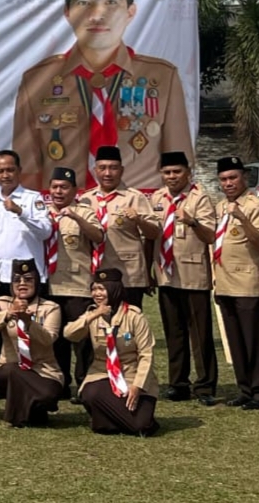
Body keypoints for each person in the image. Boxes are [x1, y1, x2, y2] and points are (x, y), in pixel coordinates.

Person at [13, 0, 193, 192]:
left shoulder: (161, 77)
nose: (97, 15)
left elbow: (179, 161)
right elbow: (27, 169)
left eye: (110, 2)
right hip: (67, 208)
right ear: (67, 12)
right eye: (83, 2)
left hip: (138, 207)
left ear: (130, 12)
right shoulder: (37, 81)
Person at [149, 151, 218, 405]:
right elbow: (151, 237)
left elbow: (210, 236)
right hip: (166, 274)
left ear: (188, 173)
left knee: (200, 334)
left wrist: (192, 222)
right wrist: (149, 270)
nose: (172, 176)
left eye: (177, 171)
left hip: (193, 274)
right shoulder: (157, 198)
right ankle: (178, 383)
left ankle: (205, 386)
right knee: (173, 332)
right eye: (167, 172)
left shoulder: (200, 198)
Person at [64, 269, 159, 435]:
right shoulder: (92, 314)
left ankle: (112, 421)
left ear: (114, 289)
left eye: (102, 289)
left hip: (131, 374)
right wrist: (93, 315)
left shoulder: (134, 316)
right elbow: (69, 334)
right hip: (102, 375)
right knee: (91, 394)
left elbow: (146, 354)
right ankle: (110, 421)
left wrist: (137, 386)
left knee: (141, 426)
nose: (97, 294)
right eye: (94, 289)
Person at [0, 150, 53, 361]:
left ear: (19, 170)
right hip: (0, 278)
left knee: (32, 330)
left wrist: (21, 212)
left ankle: (34, 371)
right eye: (0, 171)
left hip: (29, 279)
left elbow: (45, 231)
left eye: (10, 170)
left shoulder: (33, 199)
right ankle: (2, 371)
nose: (5, 175)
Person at [43, 167, 104, 403]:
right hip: (49, 285)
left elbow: (98, 237)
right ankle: (60, 383)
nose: (59, 192)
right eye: (55, 187)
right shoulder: (42, 212)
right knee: (54, 339)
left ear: (74, 190)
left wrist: (76, 217)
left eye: (64, 187)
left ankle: (84, 385)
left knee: (81, 339)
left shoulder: (84, 212)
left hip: (78, 285)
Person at [0, 261, 64, 427]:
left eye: (28, 279)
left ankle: (33, 410)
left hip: (43, 370)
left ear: (37, 282)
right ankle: (22, 415)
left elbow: (48, 339)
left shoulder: (50, 308)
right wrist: (8, 313)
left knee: (47, 394)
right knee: (13, 373)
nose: (22, 284)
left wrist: (29, 323)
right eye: (17, 280)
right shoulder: (3, 303)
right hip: (9, 367)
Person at [79, 146, 160, 306]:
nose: (108, 173)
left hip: (127, 274)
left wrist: (139, 220)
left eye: (113, 168)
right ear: (95, 170)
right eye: (102, 168)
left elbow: (154, 233)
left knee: (128, 318)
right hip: (96, 272)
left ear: (122, 170)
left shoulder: (134, 198)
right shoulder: (86, 199)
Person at [213, 156, 259, 409]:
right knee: (235, 341)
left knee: (253, 340)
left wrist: (242, 217)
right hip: (224, 283)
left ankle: (258, 389)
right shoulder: (221, 206)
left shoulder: (253, 205)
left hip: (248, 283)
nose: (228, 183)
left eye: (233, 177)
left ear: (244, 177)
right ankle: (244, 388)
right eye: (223, 179)